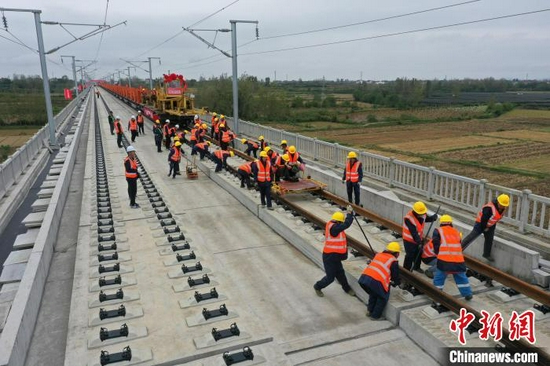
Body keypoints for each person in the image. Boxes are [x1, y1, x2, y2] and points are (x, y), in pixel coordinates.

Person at [313, 206, 356, 297]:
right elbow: (346, 224)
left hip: (335, 256)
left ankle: (347, 289)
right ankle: (317, 286)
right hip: (329, 257)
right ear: (338, 221)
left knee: (341, 273)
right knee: (330, 277)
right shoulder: (334, 228)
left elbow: (344, 226)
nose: (341, 224)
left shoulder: (334, 225)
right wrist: (349, 214)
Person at [432, 214, 473, 300]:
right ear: (450, 223)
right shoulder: (457, 232)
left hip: (444, 261)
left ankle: (436, 294)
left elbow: (436, 243)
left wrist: (437, 253)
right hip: (458, 261)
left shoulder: (438, 231)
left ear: (441, 223)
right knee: (461, 277)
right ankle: (468, 294)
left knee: (439, 278)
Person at [358, 242, 401, 320]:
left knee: (373, 293)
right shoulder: (393, 261)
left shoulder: (378, 255)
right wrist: (397, 283)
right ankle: (375, 316)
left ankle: (369, 310)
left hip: (364, 278)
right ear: (397, 253)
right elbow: (395, 276)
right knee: (382, 297)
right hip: (376, 281)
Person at [461, 194, 509, 262]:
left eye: (504, 206)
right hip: (480, 224)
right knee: (471, 237)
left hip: (491, 225)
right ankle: (459, 250)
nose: (502, 207)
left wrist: (490, 227)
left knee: (489, 240)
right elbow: (483, 220)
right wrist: (484, 228)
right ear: (498, 202)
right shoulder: (489, 208)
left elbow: (498, 216)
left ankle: (486, 254)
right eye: (501, 205)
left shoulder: (503, 208)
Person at [402, 201, 438, 273]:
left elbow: (426, 219)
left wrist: (432, 218)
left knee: (418, 253)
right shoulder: (409, 218)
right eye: (420, 213)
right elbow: (414, 233)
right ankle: (406, 270)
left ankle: (416, 267)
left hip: (418, 238)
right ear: (415, 211)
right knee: (409, 255)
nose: (422, 214)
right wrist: (419, 242)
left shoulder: (422, 214)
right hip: (409, 240)